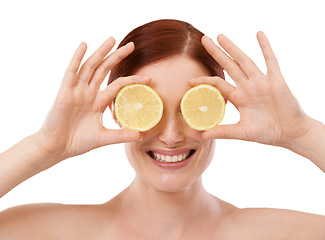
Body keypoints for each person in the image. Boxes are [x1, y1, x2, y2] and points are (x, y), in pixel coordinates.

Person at [0, 19, 324, 239]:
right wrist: (45, 146)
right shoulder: (46, 231)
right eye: (148, 110)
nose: (170, 136)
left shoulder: (280, 233)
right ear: (118, 111)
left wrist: (302, 134)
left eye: (190, 108)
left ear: (218, 108)